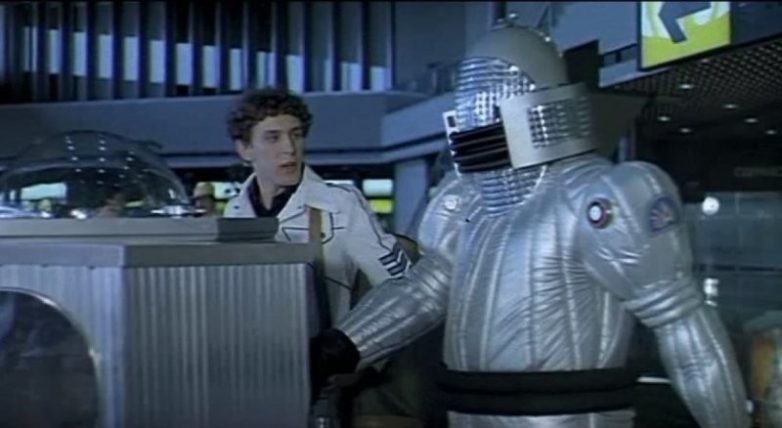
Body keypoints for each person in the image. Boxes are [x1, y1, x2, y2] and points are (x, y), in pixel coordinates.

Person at [310, 24, 750, 428]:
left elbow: (684, 326)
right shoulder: (469, 204)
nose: (476, 111)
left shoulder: (603, 193)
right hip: (466, 412)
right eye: (471, 97)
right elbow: (423, 292)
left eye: (490, 96)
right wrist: (345, 344)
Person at [223, 86, 411, 337]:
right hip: (255, 351)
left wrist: (356, 346)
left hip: (326, 355)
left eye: (296, 135)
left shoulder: (340, 204)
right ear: (245, 149)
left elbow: (402, 290)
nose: (289, 148)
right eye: (273, 138)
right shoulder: (235, 211)